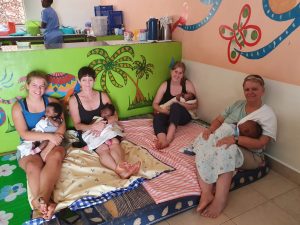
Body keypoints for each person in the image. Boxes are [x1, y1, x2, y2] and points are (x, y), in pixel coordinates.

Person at [196, 74, 277, 218]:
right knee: (204, 144)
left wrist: (235, 140)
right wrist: (210, 131)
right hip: (225, 139)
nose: (250, 92)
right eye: (247, 89)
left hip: (251, 155)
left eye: (254, 89)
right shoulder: (237, 105)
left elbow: (261, 143)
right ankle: (207, 193)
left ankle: (220, 200)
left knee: (227, 149)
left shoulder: (267, 114)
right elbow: (218, 120)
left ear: (262, 91)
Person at [69, 66, 140, 179]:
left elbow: (115, 116)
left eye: (90, 80)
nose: (87, 83)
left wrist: (104, 123)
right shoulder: (74, 100)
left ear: (94, 80)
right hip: (88, 131)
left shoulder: (102, 95)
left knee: (114, 142)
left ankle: (122, 166)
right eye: (84, 80)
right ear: (79, 81)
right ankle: (119, 170)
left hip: (105, 127)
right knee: (102, 147)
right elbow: (77, 125)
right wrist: (93, 126)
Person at [12, 71, 66, 220]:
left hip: (52, 142)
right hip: (30, 144)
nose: (38, 89)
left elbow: (62, 127)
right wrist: (48, 136)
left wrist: (49, 145)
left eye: (42, 86)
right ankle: (46, 205)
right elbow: (24, 134)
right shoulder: (19, 107)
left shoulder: (53, 102)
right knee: (33, 166)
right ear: (27, 86)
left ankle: (41, 202)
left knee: (56, 155)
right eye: (34, 85)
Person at [189, 120, 262, 184]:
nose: (241, 122)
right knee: (206, 141)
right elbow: (219, 128)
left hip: (219, 141)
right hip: (214, 136)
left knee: (217, 148)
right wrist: (211, 131)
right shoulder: (232, 127)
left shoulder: (235, 132)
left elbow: (223, 138)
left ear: (246, 131)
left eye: (244, 123)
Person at [152, 61, 198, 149]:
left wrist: (182, 104)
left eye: (180, 73)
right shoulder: (165, 85)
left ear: (183, 74)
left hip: (183, 116)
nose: (177, 75)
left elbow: (196, 104)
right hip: (168, 114)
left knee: (175, 106)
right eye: (175, 72)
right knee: (157, 117)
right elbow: (155, 104)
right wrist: (163, 111)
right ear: (171, 72)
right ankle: (162, 140)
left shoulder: (187, 84)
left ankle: (169, 138)